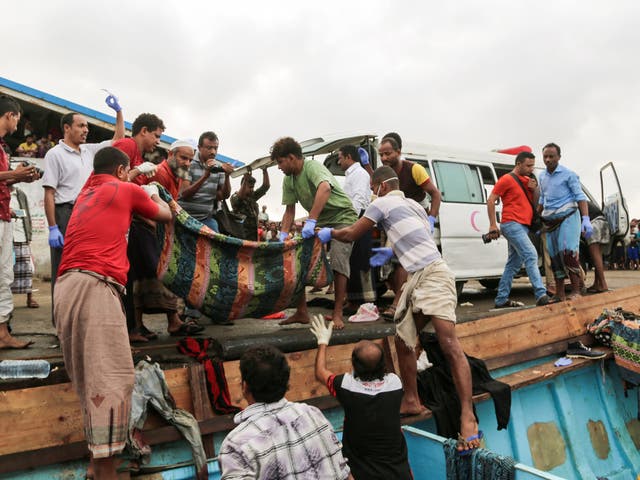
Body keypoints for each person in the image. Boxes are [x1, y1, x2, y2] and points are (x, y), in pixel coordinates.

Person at [316, 166, 481, 451]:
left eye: (372, 188)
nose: (371, 193)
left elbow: (352, 233)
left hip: (434, 274)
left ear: (380, 186)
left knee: (450, 344)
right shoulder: (413, 205)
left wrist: (325, 231)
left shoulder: (382, 202)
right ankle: (411, 400)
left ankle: (468, 417)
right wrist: (390, 253)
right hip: (416, 277)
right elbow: (412, 238)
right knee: (403, 339)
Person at [54, 147, 171, 479]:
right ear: (122, 171)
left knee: (88, 378)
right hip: (96, 286)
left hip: (65, 288)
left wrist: (132, 177)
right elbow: (165, 215)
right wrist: (151, 191)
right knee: (113, 378)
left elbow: (109, 180)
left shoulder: (85, 193)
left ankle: (95, 466)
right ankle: (105, 471)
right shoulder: (126, 188)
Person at [218, 345, 351, 480]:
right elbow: (345, 474)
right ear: (286, 382)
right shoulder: (312, 415)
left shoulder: (236, 445)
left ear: (244, 386)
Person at [272, 136, 358, 329]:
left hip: (342, 216)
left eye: (280, 162)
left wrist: (311, 220)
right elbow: (289, 211)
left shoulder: (312, 167)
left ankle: (337, 312)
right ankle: (302, 311)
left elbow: (325, 188)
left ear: (292, 157)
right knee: (299, 258)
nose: (279, 167)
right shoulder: (289, 180)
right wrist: (283, 236)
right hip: (320, 220)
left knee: (338, 258)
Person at [42, 94, 125, 295]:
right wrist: (53, 227)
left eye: (87, 126)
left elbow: (118, 140)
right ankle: (60, 320)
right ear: (67, 128)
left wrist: (119, 112)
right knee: (63, 267)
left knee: (86, 267)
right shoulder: (55, 154)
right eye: (81, 126)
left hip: (88, 214)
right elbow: (49, 194)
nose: (86, 130)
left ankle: (80, 316)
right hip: (65, 214)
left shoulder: (89, 151)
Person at [311, 315, 412, 479]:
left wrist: (323, 342)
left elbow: (320, 372)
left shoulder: (346, 386)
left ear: (354, 365)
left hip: (362, 473)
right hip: (398, 472)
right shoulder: (395, 384)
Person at [127, 140, 204, 340]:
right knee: (150, 275)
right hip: (143, 229)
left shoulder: (177, 174)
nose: (187, 163)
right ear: (170, 154)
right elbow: (139, 199)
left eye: (189, 159)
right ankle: (141, 325)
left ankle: (172, 321)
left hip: (155, 229)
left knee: (152, 276)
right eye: (183, 158)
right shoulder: (158, 173)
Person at [377, 134, 442, 320]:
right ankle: (405, 300)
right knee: (387, 266)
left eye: (388, 153)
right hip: (396, 218)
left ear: (398, 152)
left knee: (405, 260)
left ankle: (397, 304)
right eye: (381, 154)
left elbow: (435, 194)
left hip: (416, 216)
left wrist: (431, 219)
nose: (384, 158)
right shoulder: (385, 172)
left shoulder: (414, 169)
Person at [0, 95, 41, 349]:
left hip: (4, 215)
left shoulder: (2, 147)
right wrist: (14, 174)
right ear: (9, 116)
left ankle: (2, 333)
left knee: (4, 276)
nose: (19, 124)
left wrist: (18, 179)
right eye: (18, 118)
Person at [486, 151, 550, 307]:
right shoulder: (506, 179)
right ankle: (541, 294)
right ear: (518, 164)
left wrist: (533, 189)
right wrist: (493, 224)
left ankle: (501, 299)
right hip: (511, 223)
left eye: (533, 166)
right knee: (531, 255)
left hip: (523, 225)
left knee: (513, 264)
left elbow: (534, 205)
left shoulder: (528, 181)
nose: (531, 169)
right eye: (528, 165)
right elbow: (491, 199)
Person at [538, 143, 592, 300]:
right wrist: (536, 216)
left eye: (551, 156)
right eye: (545, 157)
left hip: (568, 217)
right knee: (554, 257)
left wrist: (586, 219)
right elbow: (543, 197)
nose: (548, 160)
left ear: (559, 157)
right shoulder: (542, 176)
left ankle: (576, 290)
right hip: (549, 221)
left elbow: (580, 197)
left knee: (567, 252)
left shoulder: (569, 174)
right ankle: (560, 293)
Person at [337, 144, 375, 309]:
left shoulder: (359, 174)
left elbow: (358, 200)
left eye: (339, 157)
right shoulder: (351, 175)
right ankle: (354, 300)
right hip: (355, 219)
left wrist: (351, 224)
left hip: (358, 219)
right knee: (353, 261)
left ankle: (364, 303)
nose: (338, 162)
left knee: (361, 261)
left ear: (348, 157)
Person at [179, 131, 234, 232]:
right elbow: (184, 194)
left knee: (216, 243)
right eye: (209, 148)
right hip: (183, 216)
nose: (213, 152)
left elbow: (223, 196)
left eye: (215, 148)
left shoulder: (219, 167)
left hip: (205, 219)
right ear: (199, 148)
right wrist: (205, 176)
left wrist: (227, 176)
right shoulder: (189, 162)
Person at [113, 112, 165, 183]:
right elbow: (112, 181)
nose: (158, 142)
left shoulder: (140, 159)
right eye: (156, 136)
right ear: (144, 131)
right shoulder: (127, 144)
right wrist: (137, 171)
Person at [10, 186, 38, 308]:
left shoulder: (20, 194)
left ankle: (30, 298)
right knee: (7, 270)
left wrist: (29, 234)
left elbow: (26, 214)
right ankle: (7, 301)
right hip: (7, 236)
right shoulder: (2, 193)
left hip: (21, 235)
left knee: (27, 269)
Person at [230, 168, 270, 241]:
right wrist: (245, 179)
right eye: (250, 187)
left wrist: (265, 170)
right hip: (240, 237)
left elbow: (265, 186)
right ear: (243, 185)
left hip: (252, 237)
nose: (252, 189)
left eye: (253, 187)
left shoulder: (252, 197)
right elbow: (240, 197)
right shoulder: (234, 197)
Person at [584, 202, 611, 291]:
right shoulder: (588, 202)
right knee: (599, 256)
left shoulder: (576, 202)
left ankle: (603, 284)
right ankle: (597, 283)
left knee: (595, 257)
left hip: (593, 224)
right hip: (603, 223)